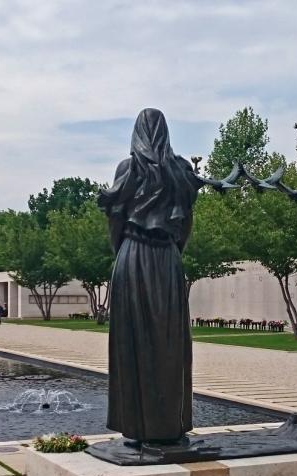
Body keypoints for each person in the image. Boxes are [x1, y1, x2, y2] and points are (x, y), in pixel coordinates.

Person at [97, 108, 201, 444]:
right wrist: (171, 252)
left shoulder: (128, 170)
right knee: (169, 344)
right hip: (167, 258)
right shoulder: (181, 170)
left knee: (133, 343)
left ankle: (137, 427)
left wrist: (123, 253)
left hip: (132, 255)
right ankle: (170, 425)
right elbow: (185, 223)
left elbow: (116, 219)